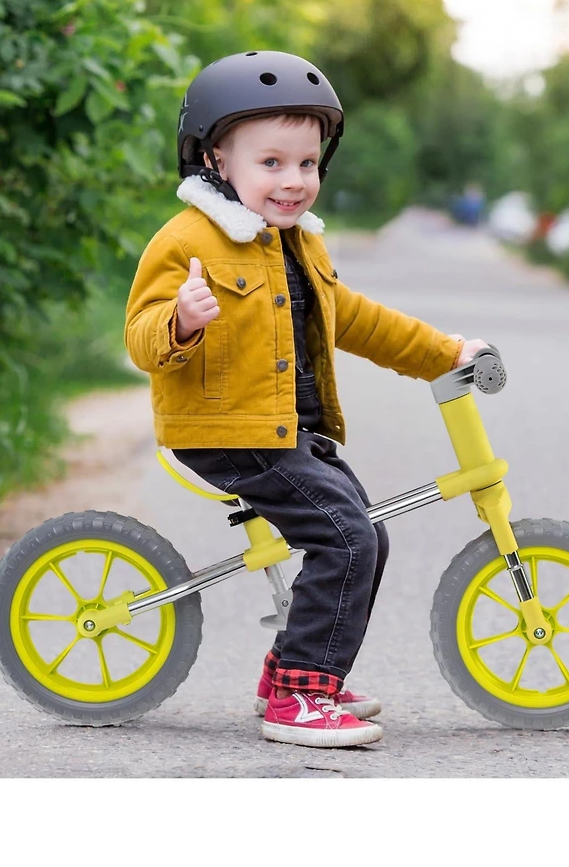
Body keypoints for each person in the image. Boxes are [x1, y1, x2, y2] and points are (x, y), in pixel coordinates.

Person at [124, 50, 489, 749]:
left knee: (364, 532)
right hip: (226, 428)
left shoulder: (299, 245)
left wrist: (444, 352)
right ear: (214, 159)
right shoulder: (188, 240)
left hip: (281, 426)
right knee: (345, 534)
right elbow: (140, 334)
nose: (294, 182)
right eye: (272, 163)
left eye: (308, 163)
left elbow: (353, 319)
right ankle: (298, 694)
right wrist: (182, 320)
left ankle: (298, 669)